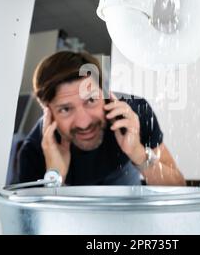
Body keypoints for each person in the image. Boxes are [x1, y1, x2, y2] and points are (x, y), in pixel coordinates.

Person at [9, 51, 185, 186]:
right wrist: (55, 176)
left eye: (91, 100)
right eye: (65, 109)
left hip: (123, 184)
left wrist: (138, 153)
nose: (84, 123)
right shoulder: (34, 148)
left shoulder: (135, 114)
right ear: (48, 112)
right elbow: (33, 227)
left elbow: (178, 186)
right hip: (72, 197)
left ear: (105, 92)